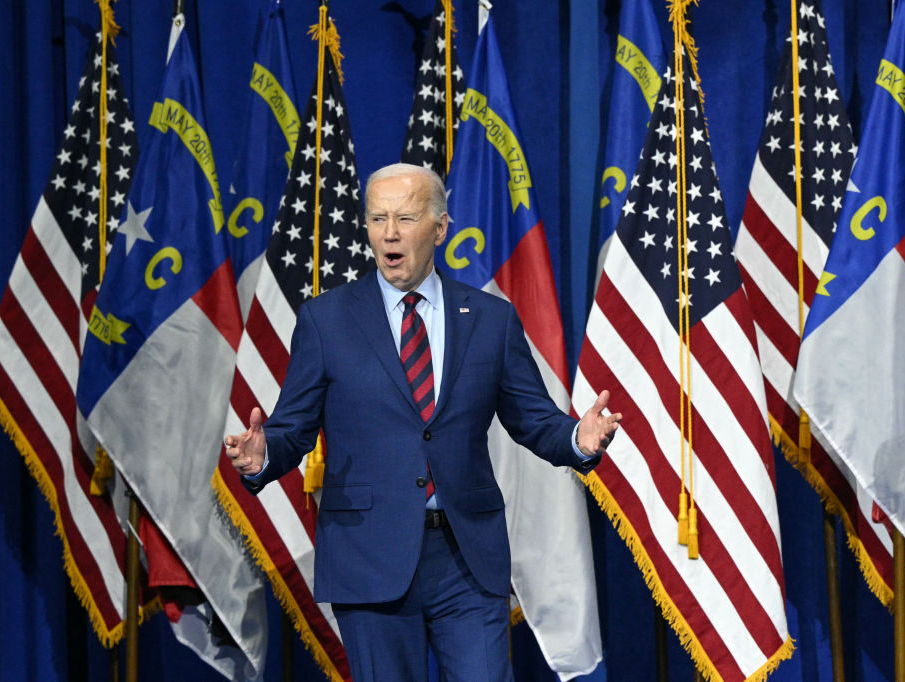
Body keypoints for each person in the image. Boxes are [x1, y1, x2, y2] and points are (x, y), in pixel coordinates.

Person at [225, 163, 621, 681]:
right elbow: (293, 428)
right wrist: (264, 454)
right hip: (370, 556)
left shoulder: (489, 319)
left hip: (467, 557)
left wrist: (577, 437)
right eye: (377, 218)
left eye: (405, 217)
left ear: (439, 228)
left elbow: (533, 418)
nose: (389, 232)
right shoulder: (326, 320)